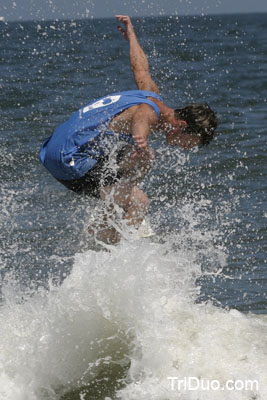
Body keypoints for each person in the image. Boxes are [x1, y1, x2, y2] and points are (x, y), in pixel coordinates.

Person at [39, 15, 218, 244]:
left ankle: (108, 214)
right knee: (140, 201)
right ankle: (118, 250)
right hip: (69, 162)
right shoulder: (150, 111)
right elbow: (141, 119)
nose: (188, 147)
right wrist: (140, 140)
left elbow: (140, 67)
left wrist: (131, 36)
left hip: (55, 149)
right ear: (181, 126)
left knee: (145, 159)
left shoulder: (152, 94)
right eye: (190, 142)